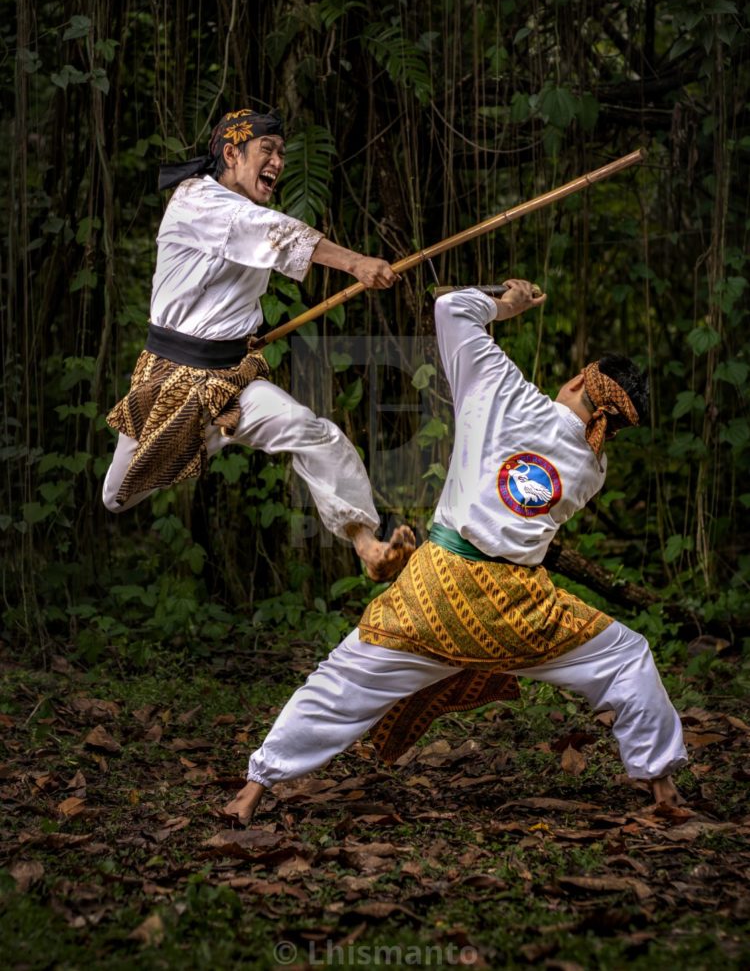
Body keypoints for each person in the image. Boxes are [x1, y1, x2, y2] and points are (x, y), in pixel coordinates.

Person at [224, 279, 687, 822]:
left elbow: (450, 307)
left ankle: (252, 790)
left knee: (341, 681)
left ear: (579, 378)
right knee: (625, 656)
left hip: (435, 593)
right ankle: (663, 792)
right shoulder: (593, 470)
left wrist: (505, 302)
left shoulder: (501, 389)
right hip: (520, 612)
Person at [103, 107, 415, 581]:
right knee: (117, 495)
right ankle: (209, 439)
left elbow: (261, 244)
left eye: (282, 154)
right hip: (172, 381)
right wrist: (355, 264)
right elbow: (273, 234)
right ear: (231, 153)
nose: (277, 162)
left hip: (232, 382)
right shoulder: (196, 200)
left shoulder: (250, 216)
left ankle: (366, 544)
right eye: (266, 150)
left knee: (314, 432)